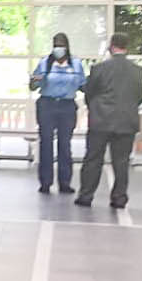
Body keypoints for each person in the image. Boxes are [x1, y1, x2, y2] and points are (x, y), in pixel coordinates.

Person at [76, 32, 142, 210]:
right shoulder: (138, 71)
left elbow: (89, 93)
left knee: (93, 159)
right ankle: (119, 198)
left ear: (111, 46)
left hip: (100, 121)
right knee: (121, 162)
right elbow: (140, 96)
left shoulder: (99, 69)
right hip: (126, 122)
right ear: (127, 47)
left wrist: (95, 108)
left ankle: (86, 195)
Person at [29, 32, 86, 195]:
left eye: (60, 45)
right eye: (55, 45)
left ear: (67, 46)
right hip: (47, 104)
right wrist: (34, 81)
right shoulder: (45, 63)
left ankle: (65, 182)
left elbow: (83, 85)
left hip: (67, 106)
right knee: (46, 144)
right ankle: (45, 182)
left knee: (65, 145)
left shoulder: (76, 64)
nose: (58, 48)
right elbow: (33, 86)